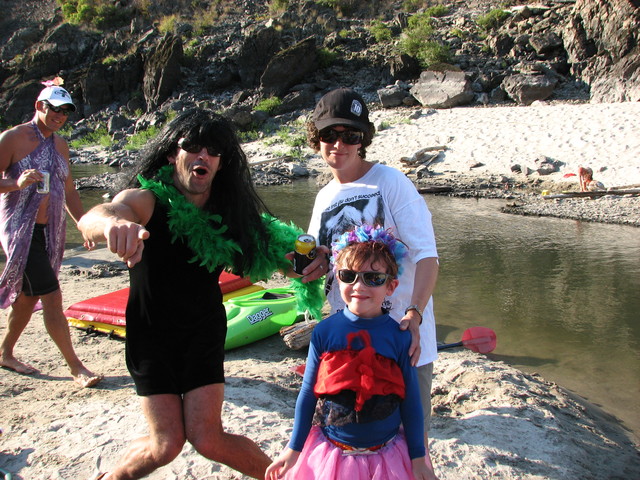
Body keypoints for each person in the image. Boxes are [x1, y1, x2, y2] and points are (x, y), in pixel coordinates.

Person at [78, 108, 323, 480]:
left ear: (221, 163)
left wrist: (311, 264)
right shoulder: (147, 200)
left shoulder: (230, 214)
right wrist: (114, 225)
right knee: (165, 446)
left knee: (208, 439)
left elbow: (279, 258)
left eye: (214, 150)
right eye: (193, 146)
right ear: (171, 154)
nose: (203, 155)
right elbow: (98, 215)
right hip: (151, 336)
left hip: (203, 333)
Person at [299, 87, 440, 478]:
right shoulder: (324, 197)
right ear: (316, 138)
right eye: (329, 134)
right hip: (347, 347)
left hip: (403, 341)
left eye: (351, 135)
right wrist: (306, 270)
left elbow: (428, 256)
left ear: (364, 139)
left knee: (410, 451)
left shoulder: (390, 182)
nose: (339, 143)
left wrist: (415, 314)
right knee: (351, 450)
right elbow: (326, 265)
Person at [267, 225, 433, 479]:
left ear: (391, 286)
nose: (359, 286)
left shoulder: (400, 337)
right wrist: (293, 448)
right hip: (333, 453)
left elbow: (411, 401)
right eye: (348, 275)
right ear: (336, 277)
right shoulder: (324, 332)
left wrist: (418, 458)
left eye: (373, 278)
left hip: (386, 454)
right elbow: (308, 393)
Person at [0, 82, 102, 388]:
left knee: (29, 296)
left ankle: (4, 353)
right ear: (39, 106)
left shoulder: (61, 146)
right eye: (54, 108)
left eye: (65, 111)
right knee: (52, 295)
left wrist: (83, 224)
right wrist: (16, 183)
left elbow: (69, 190)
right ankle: (76, 367)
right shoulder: (12, 138)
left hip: (50, 230)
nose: (59, 115)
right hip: (20, 229)